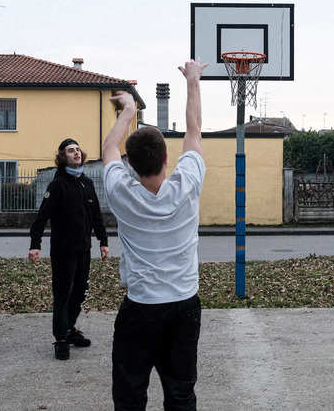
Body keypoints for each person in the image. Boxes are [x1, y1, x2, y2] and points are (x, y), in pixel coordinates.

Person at [103, 58, 207, 410]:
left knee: (130, 395)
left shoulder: (121, 192)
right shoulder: (187, 185)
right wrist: (193, 80)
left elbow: (108, 149)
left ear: (130, 165)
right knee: (180, 393)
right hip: (183, 307)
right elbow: (194, 130)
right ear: (167, 159)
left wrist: (128, 110)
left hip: (141, 310)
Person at [28, 138, 110, 361]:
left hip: (84, 249)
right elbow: (41, 217)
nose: (76, 153)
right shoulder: (57, 185)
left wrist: (103, 241)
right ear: (63, 157)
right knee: (62, 294)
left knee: (80, 291)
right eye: (70, 151)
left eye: (77, 150)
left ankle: (69, 328)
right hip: (63, 251)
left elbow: (96, 217)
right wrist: (35, 245)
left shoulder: (87, 183)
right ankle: (61, 339)